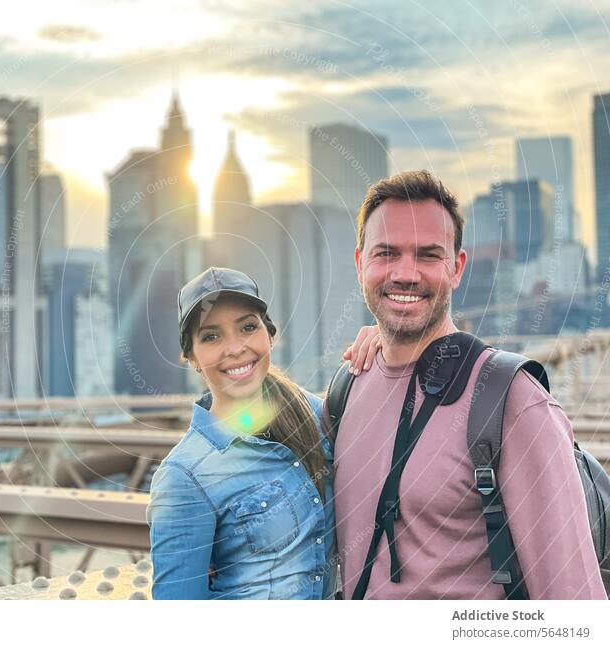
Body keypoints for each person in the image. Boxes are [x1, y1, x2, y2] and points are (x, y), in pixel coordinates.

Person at [325, 169, 606, 599]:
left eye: (427, 255)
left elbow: (574, 602)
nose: (405, 273)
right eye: (387, 253)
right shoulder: (346, 390)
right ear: (360, 263)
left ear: (456, 268)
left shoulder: (511, 402)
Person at [146, 267, 378, 599]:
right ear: (192, 357)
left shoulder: (321, 417)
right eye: (211, 336)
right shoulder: (184, 477)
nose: (235, 348)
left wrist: (387, 340)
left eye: (248, 327)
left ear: (269, 335)